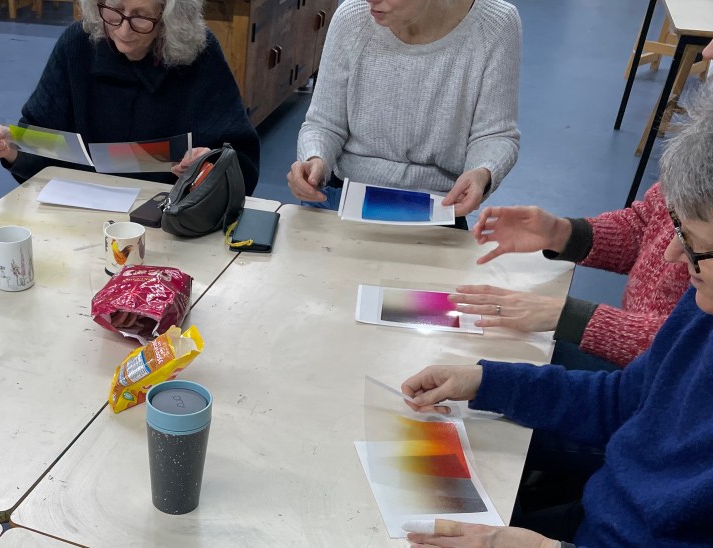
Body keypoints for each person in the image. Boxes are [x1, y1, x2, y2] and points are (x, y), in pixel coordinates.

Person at [400, 81, 713, 547]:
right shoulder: (702, 307)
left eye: (695, 245)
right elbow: (624, 399)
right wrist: (486, 381)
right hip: (602, 515)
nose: (671, 256)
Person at [0, 0, 260, 195]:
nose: (123, 30)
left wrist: (206, 164)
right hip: (80, 210)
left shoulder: (199, 54)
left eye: (141, 17)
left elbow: (240, 161)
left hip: (169, 216)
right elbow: (45, 143)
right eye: (114, 11)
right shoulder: (78, 44)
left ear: (168, 17)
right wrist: (12, 146)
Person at [287, 0, 521, 227]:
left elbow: (495, 134)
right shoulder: (353, 17)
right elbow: (324, 124)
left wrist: (481, 172)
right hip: (343, 197)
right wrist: (315, 159)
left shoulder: (495, 23)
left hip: (439, 206)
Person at [448, 183, 690, 369]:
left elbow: (697, 349)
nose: (669, 253)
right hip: (636, 354)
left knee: (493, 357)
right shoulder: (695, 156)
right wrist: (563, 233)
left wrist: (576, 319)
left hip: (667, 379)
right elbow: (645, 226)